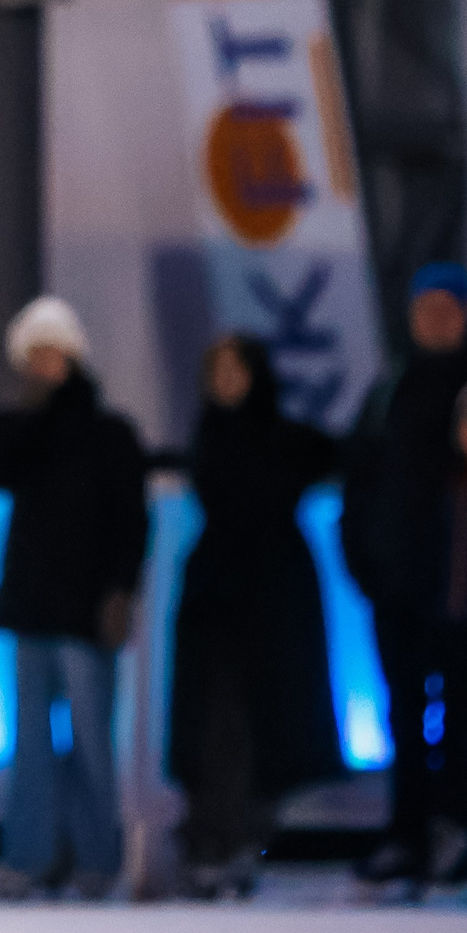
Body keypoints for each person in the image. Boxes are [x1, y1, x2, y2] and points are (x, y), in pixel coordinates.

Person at [0, 296, 150, 902]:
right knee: (31, 744)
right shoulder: (25, 427)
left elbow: (130, 520)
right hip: (31, 607)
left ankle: (98, 859)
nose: (46, 364)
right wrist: (24, 409)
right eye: (34, 354)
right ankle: (31, 856)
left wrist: (121, 591)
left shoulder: (108, 432)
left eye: (54, 352)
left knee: (95, 743)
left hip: (86, 609)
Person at [340, 263, 467, 891]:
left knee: (466, 716)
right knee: (404, 717)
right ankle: (408, 835)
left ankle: (462, 831)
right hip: (398, 583)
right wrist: (363, 560)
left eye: (447, 309)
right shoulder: (389, 391)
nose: (435, 321)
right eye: (425, 310)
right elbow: (358, 480)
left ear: (465, 315)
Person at [166, 335, 343, 899]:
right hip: (217, 594)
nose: (225, 380)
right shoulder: (206, 436)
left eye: (234, 368)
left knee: (265, 721)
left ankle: (245, 842)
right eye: (216, 368)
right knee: (214, 720)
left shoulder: (287, 439)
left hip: (273, 594)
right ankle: (211, 842)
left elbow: (347, 457)